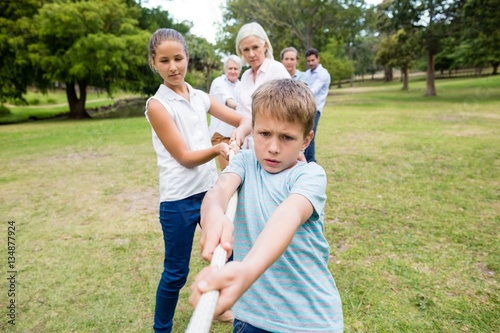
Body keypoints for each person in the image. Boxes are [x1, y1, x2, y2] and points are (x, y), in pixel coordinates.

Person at [189, 79, 344, 333]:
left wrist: (247, 270)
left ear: (306, 140)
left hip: (309, 322)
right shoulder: (246, 163)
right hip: (251, 318)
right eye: (264, 134)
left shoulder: (310, 176)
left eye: (286, 137)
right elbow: (220, 189)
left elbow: (289, 214)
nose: (272, 147)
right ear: (253, 130)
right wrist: (213, 213)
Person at [144, 28, 251, 333]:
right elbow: (184, 157)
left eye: (178, 58)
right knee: (176, 273)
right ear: (154, 62)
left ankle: (221, 308)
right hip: (177, 201)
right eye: (164, 60)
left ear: (187, 58)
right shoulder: (157, 105)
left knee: (228, 253)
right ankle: (161, 329)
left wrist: (238, 136)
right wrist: (219, 147)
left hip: (209, 194)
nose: (173, 66)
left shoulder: (201, 97)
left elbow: (245, 119)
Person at [235, 22, 290, 149]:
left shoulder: (277, 70)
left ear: (264, 45)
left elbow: (290, 109)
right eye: (246, 50)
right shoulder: (245, 76)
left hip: (272, 146)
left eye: (255, 47)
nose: (251, 54)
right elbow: (241, 109)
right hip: (247, 145)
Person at [208, 55, 242, 171]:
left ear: (240, 70)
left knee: (238, 171)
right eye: (230, 68)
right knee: (229, 171)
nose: (233, 71)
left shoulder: (241, 85)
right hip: (220, 134)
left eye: (235, 69)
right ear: (225, 69)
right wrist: (240, 107)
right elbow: (228, 100)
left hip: (236, 135)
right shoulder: (218, 82)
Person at [304, 47, 331, 163]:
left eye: (312, 60)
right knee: (303, 134)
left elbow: (312, 91)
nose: (310, 63)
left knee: (310, 136)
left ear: (318, 59)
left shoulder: (323, 74)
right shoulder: (307, 73)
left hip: (315, 110)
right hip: (305, 108)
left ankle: (311, 161)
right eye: (308, 61)